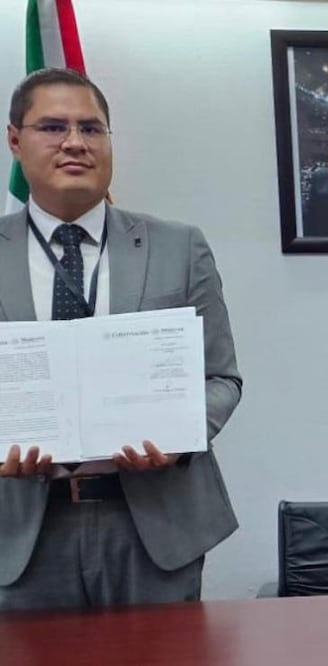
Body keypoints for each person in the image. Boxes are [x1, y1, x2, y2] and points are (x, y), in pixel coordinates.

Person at [0, 68, 242, 611]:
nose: (74, 143)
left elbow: (222, 378)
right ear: (14, 140)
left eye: (91, 128)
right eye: (53, 127)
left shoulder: (178, 246)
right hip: (19, 529)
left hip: (155, 527)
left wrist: (180, 435)